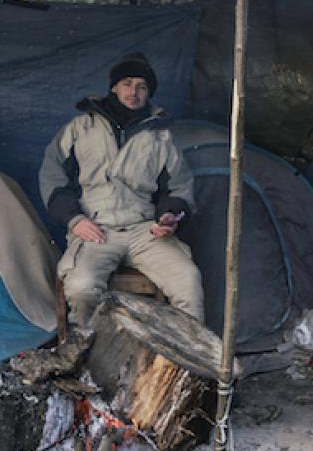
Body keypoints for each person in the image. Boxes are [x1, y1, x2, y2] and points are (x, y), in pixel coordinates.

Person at [39, 52, 204, 327]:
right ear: (114, 86)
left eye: (142, 86)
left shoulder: (160, 136)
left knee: (188, 280)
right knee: (81, 287)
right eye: (127, 83)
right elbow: (52, 176)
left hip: (144, 230)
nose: (134, 92)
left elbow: (179, 187)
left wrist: (169, 217)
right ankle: (92, 359)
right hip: (97, 228)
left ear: (148, 92)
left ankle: (185, 362)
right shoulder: (81, 128)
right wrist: (74, 219)